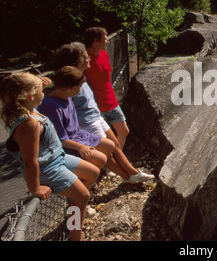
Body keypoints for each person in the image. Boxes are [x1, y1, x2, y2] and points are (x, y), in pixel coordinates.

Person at [0, 72, 99, 241]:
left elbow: (23, 88)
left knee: (92, 171)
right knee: (83, 195)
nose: (44, 92)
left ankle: (73, 210)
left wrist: (38, 82)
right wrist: (36, 188)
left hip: (57, 158)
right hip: (48, 168)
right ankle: (76, 235)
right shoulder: (28, 125)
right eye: (41, 90)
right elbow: (30, 162)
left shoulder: (31, 109)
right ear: (31, 95)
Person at [54, 42, 154, 183]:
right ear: (77, 61)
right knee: (106, 153)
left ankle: (133, 173)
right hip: (87, 122)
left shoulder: (79, 75)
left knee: (115, 145)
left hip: (96, 116)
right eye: (85, 57)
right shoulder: (70, 80)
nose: (89, 59)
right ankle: (129, 176)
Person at [37, 66, 113, 170]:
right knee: (100, 158)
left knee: (109, 145)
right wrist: (81, 147)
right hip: (66, 144)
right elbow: (60, 139)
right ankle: (85, 174)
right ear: (73, 88)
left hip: (78, 135)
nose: (80, 90)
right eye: (80, 86)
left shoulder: (66, 97)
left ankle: (89, 170)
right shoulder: (51, 106)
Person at [84, 27, 129, 150]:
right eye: (105, 39)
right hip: (96, 106)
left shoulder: (104, 53)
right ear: (95, 41)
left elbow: (106, 79)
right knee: (104, 141)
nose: (108, 41)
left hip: (111, 101)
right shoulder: (83, 60)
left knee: (123, 131)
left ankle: (118, 158)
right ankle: (109, 164)